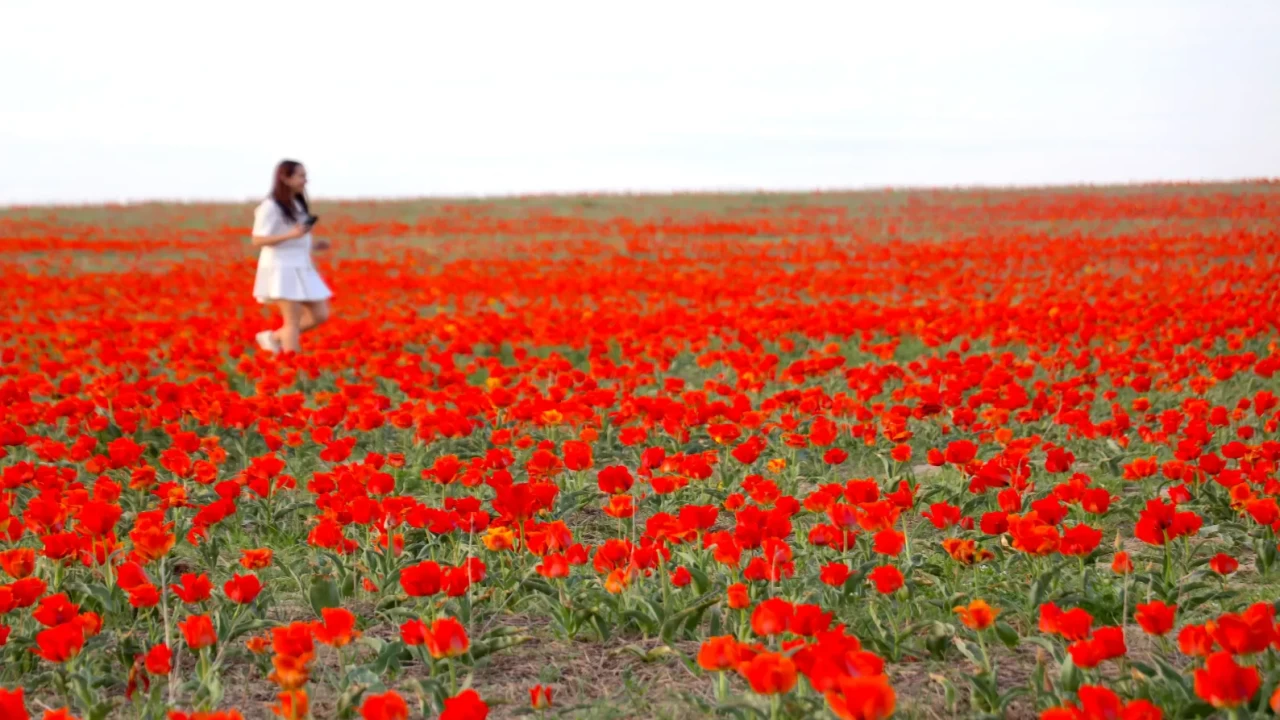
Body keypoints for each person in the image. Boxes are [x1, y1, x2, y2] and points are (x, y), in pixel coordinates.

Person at [251, 160, 332, 354]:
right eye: (301, 176)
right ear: (285, 178)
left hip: (301, 265)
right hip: (281, 268)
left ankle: (273, 338)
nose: (305, 180)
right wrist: (291, 235)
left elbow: (294, 237)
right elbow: (257, 240)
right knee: (292, 322)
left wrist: (312, 245)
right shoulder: (270, 206)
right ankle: (291, 365)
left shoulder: (296, 204)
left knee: (320, 314)